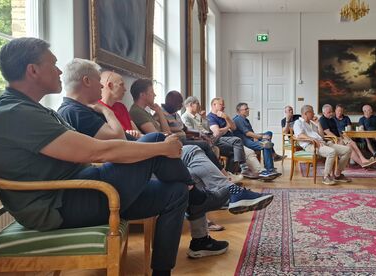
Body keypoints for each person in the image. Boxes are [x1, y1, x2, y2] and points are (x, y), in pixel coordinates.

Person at [0, 37, 195, 276]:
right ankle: (198, 194)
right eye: (53, 65)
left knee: (175, 193)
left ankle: (162, 270)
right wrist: (161, 149)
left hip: (79, 189)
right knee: (157, 141)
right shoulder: (15, 114)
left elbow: (96, 150)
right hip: (60, 204)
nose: (59, 71)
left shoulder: (30, 109)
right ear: (32, 70)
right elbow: (97, 150)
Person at [57, 59, 273, 257]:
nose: (102, 87)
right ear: (88, 81)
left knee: (189, 154)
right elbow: (114, 141)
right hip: (123, 166)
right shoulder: (78, 111)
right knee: (179, 162)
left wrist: (146, 136)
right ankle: (221, 199)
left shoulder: (99, 108)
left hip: (131, 157)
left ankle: (213, 210)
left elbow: (129, 135)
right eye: (100, 82)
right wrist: (110, 115)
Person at [293, 105, 352, 185]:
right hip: (311, 145)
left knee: (347, 150)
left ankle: (337, 174)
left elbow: (322, 136)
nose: (314, 113)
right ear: (306, 113)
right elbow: (300, 135)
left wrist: (318, 124)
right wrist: (312, 139)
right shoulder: (298, 122)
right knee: (332, 152)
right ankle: (325, 177)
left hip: (323, 143)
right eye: (312, 112)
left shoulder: (311, 123)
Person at [232, 102, 281, 178]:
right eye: (246, 109)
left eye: (248, 108)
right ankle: (270, 169)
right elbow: (247, 133)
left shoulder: (246, 120)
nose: (248, 110)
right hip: (245, 141)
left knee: (269, 133)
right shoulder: (238, 119)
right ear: (239, 111)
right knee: (266, 145)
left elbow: (251, 133)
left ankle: (272, 156)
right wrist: (260, 137)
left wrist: (257, 137)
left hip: (250, 139)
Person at [207, 97, 251, 175]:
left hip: (229, 140)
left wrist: (226, 117)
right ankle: (244, 167)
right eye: (221, 104)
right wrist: (227, 127)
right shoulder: (210, 117)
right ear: (214, 105)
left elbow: (233, 128)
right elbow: (217, 132)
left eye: (223, 105)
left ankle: (230, 174)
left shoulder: (222, 115)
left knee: (235, 152)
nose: (224, 106)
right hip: (219, 141)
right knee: (237, 140)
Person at [97, 71, 142, 139]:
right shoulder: (97, 108)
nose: (125, 89)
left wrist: (136, 134)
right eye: (121, 85)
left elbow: (138, 133)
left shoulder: (121, 107)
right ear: (110, 85)